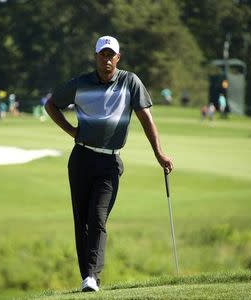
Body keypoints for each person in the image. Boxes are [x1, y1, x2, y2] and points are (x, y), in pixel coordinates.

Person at [45, 35, 173, 292]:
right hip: (81, 158)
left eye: (110, 55)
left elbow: (146, 119)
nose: (106, 59)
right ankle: (88, 278)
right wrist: (72, 131)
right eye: (102, 55)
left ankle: (93, 275)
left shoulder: (130, 82)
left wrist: (159, 153)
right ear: (96, 57)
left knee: (98, 217)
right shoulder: (80, 83)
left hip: (110, 162)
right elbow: (51, 104)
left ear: (118, 58)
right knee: (81, 219)